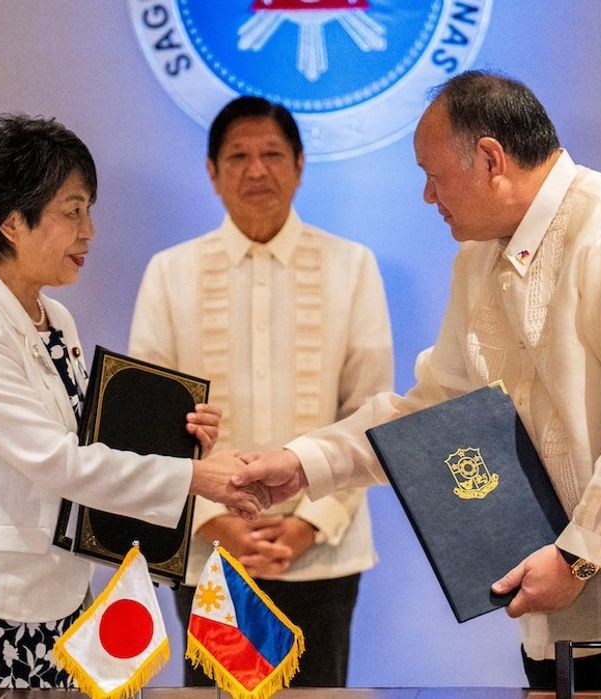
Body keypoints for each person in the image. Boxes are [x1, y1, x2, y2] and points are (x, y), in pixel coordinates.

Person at [236, 70, 601, 696]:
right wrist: (304, 463)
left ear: (492, 159)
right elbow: (432, 412)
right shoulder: (478, 255)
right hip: (566, 582)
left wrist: (579, 553)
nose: (427, 196)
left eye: (433, 174)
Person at [0, 114, 267, 688]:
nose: (89, 232)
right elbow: (59, 462)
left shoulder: (53, 317)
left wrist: (179, 436)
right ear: (12, 222)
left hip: (55, 602)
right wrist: (193, 477)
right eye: (73, 211)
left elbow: (92, 440)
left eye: (88, 210)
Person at [129, 96, 392, 687]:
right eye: (238, 156)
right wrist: (217, 521)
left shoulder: (352, 266)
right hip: (212, 555)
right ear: (211, 171)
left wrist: (307, 525)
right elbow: (147, 424)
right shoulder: (171, 273)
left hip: (323, 552)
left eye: (272, 154)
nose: (256, 171)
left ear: (300, 165)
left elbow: (369, 412)